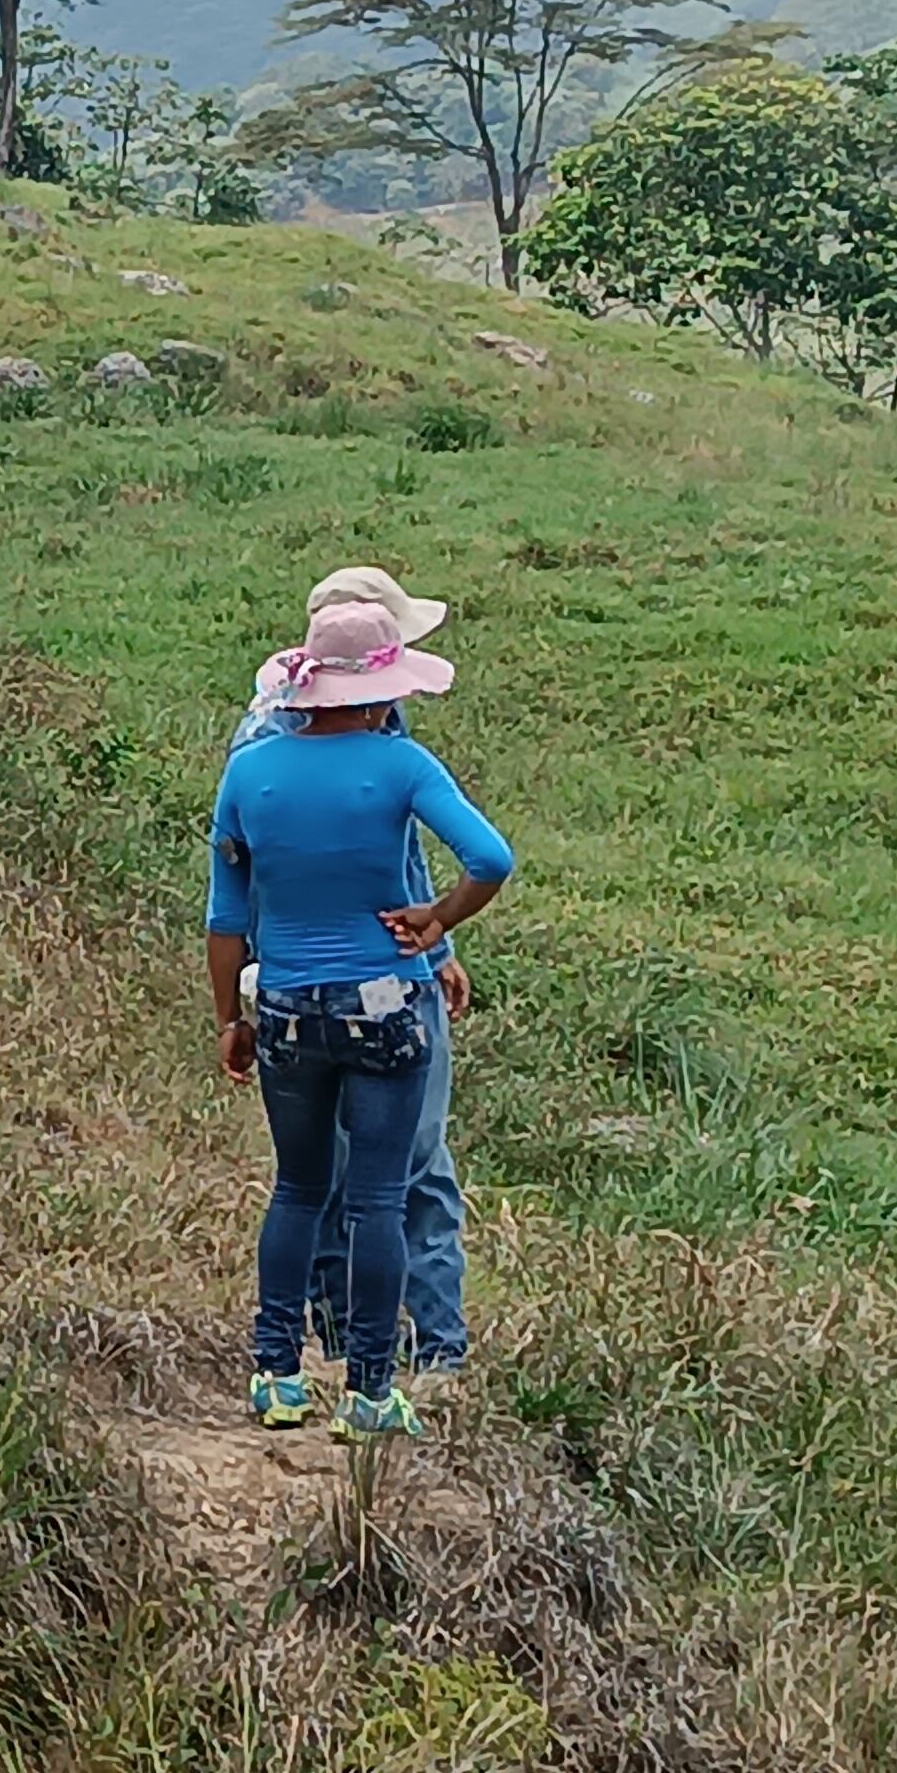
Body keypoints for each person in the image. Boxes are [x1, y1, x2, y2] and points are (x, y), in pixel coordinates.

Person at [208, 597, 513, 1443]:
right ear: (381, 693)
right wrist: (438, 919)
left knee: (299, 1188)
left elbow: (226, 917)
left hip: (287, 1005)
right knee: (379, 1198)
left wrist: (232, 1020)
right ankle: (372, 1391)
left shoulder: (250, 773)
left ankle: (277, 1373)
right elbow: (491, 858)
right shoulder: (402, 764)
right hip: (384, 1003)